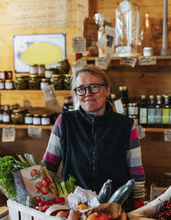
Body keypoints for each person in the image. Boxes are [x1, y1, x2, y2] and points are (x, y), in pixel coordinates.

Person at [42, 64, 145, 210]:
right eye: (81, 89)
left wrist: (138, 210)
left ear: (107, 89)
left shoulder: (126, 126)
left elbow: (137, 175)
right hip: (75, 209)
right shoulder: (64, 122)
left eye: (94, 86)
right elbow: (48, 168)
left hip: (116, 209)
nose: (87, 93)